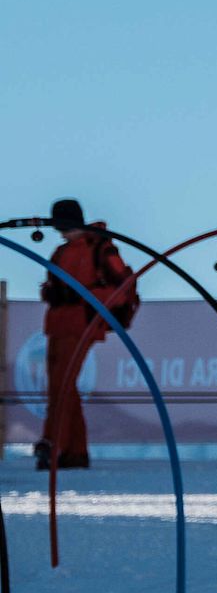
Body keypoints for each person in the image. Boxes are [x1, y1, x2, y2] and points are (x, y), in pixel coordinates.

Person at [32, 200, 140, 472]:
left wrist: (85, 298)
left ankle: (52, 444)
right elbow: (53, 286)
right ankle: (74, 452)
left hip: (81, 325)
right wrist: (52, 293)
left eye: (65, 226)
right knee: (63, 388)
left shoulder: (99, 248)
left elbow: (122, 288)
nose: (63, 232)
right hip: (57, 324)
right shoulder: (60, 252)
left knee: (62, 385)